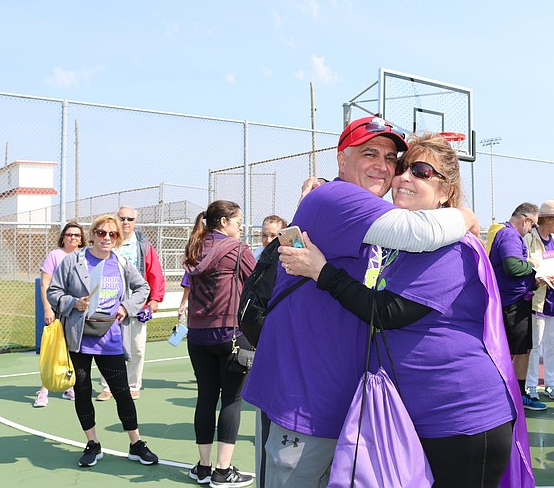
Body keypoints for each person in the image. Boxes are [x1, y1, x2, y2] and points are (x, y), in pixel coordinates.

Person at [280, 132, 533, 487]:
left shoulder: (453, 249)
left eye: (421, 171)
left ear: (445, 191)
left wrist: (322, 272)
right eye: (402, 167)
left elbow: (386, 312)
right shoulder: (398, 246)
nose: (403, 177)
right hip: (412, 419)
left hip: (460, 418)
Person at [242, 116, 479, 488]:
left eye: (392, 159)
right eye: (370, 153)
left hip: (340, 401)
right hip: (304, 401)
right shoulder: (336, 197)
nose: (383, 167)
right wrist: (464, 214)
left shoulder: (367, 216)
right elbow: (420, 231)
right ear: (341, 158)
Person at [47, 214, 158, 468]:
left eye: (113, 234)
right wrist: (73, 303)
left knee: (122, 393)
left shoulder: (120, 262)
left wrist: (126, 307)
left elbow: (143, 288)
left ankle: (136, 443)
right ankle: (93, 443)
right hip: (79, 338)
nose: (107, 238)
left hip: (110, 338)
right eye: (102, 233)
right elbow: (53, 292)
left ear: (118, 238)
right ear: (93, 234)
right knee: (83, 392)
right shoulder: (74, 261)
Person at [180, 200, 256, 488]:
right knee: (232, 400)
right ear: (224, 222)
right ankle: (223, 471)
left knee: (206, 397)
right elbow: (260, 282)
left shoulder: (195, 247)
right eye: (238, 220)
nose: (241, 225)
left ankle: (203, 466)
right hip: (230, 334)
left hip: (197, 335)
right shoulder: (237, 250)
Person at [97, 206, 165, 402]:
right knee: (107, 346)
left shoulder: (143, 245)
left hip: (137, 305)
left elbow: (155, 273)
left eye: (129, 219)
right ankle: (107, 386)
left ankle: (133, 385)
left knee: (136, 347)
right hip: (110, 305)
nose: (125, 222)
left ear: (135, 221)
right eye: (122, 218)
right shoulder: (108, 243)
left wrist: (154, 300)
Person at [489, 202, 548, 411]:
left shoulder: (508, 235)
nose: (531, 231)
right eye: (532, 226)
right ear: (526, 220)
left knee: (522, 350)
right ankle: (506, 394)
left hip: (515, 301)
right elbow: (513, 267)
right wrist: (534, 266)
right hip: (511, 304)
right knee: (512, 352)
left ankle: (516, 393)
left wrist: (533, 280)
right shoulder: (510, 235)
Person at [34, 221, 85, 407]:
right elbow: (44, 284)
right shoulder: (55, 255)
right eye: (69, 234)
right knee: (52, 349)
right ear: (63, 237)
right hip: (57, 308)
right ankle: (44, 389)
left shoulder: (84, 256)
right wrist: (48, 308)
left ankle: (68, 386)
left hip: (76, 311)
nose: (73, 237)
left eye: (77, 235)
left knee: (71, 349)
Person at [524, 200, 554, 401]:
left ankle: (551, 383)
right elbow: (525, 266)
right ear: (547, 219)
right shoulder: (529, 239)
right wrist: (536, 278)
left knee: (552, 345)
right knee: (535, 345)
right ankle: (531, 385)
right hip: (537, 300)